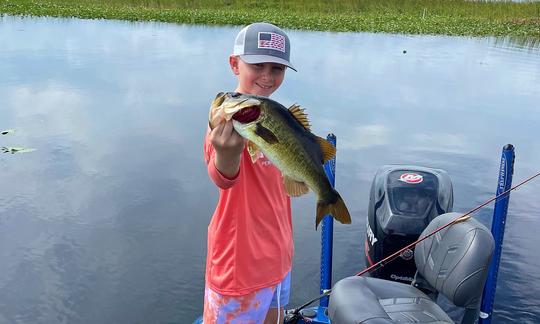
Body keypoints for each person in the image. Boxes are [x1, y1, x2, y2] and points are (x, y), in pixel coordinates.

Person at [203, 22, 297, 323]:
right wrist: (227, 154)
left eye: (277, 69)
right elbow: (222, 177)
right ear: (234, 64)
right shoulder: (224, 122)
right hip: (238, 266)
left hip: (279, 259)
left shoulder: (274, 114)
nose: (267, 77)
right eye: (257, 66)